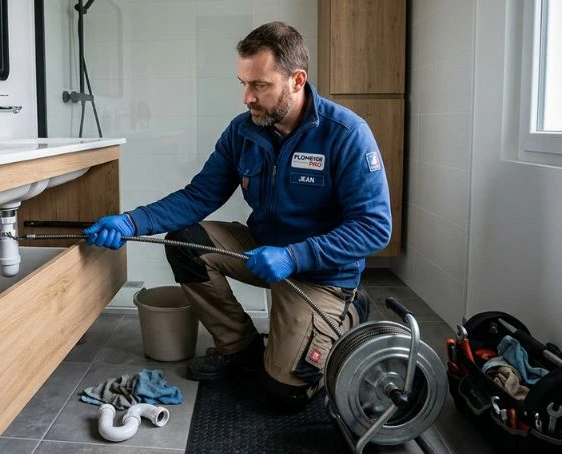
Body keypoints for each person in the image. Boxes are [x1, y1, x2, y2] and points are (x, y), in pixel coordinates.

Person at [84, 21, 391, 411]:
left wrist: (294, 256)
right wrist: (131, 222)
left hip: (320, 274)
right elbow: (199, 196)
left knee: (284, 394)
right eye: (243, 83)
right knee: (187, 242)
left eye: (260, 85)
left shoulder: (346, 134)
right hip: (263, 251)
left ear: (296, 80)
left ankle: (348, 310)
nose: (247, 97)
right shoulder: (244, 131)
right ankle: (239, 346)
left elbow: (374, 228)